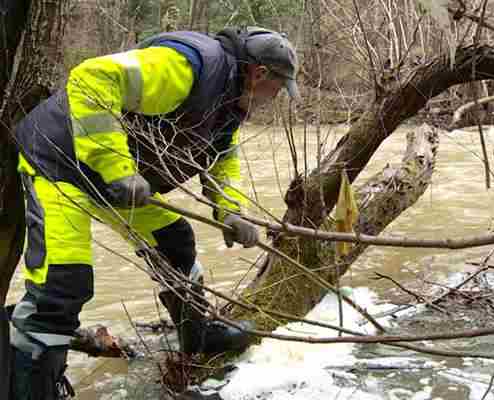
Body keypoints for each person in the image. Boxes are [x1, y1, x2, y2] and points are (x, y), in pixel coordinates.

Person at [7, 26, 300, 400]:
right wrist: (119, 169)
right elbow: (91, 79)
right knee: (62, 285)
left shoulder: (229, 104)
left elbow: (223, 158)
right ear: (259, 74)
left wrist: (230, 212)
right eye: (277, 90)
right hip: (60, 162)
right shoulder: (186, 67)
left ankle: (197, 334)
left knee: (176, 241)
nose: (274, 99)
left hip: (111, 182)